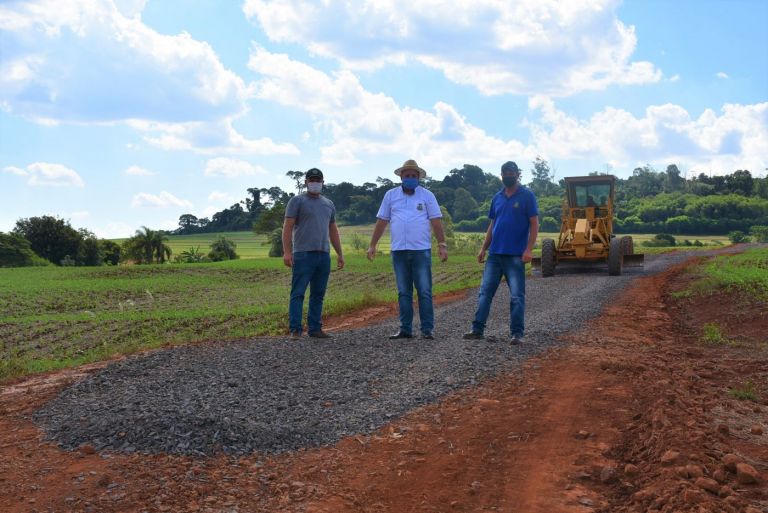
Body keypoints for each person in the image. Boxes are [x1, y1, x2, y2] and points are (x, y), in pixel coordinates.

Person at [367, 159, 448, 340]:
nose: (410, 178)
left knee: (424, 290)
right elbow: (382, 221)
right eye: (407, 175)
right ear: (401, 177)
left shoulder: (427, 196)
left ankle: (427, 329)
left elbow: (436, 221)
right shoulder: (390, 195)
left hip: (421, 250)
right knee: (403, 291)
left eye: (413, 175)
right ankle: (405, 329)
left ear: (418, 178)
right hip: (399, 251)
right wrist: (373, 244)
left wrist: (442, 245)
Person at [463, 161, 539, 345]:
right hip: (495, 255)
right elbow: (492, 225)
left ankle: (517, 334)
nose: (508, 175)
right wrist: (483, 248)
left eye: (511, 172)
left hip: (515, 255)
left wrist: (529, 249)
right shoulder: (497, 197)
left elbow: (534, 223)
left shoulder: (527, 196)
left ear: (517, 174)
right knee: (485, 292)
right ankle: (477, 329)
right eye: (505, 172)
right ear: (501, 175)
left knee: (516, 296)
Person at [282, 168, 344, 339]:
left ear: (323, 182)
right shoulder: (297, 201)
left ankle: (315, 328)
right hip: (303, 254)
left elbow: (333, 230)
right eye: (312, 180)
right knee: (298, 292)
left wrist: (339, 253)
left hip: (323, 255)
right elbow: (287, 227)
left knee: (318, 294)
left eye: (318, 180)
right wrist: (287, 252)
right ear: (306, 182)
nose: (315, 183)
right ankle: (295, 329)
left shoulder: (329, 204)